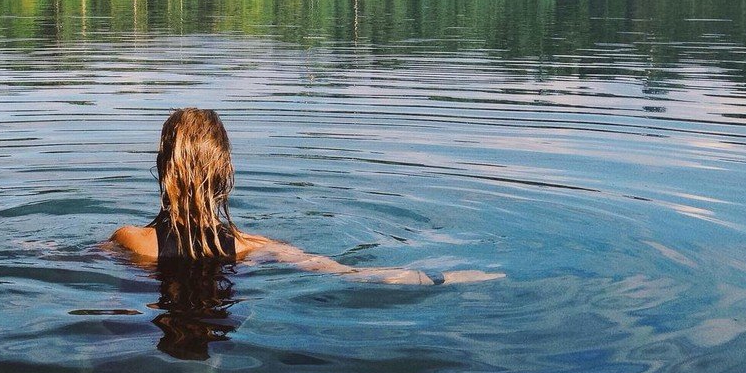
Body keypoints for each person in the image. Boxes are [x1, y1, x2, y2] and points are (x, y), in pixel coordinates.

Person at [110, 107, 503, 285]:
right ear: (223, 175)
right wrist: (440, 280)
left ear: (165, 169)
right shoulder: (251, 247)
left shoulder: (132, 242)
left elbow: (53, 254)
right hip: (225, 331)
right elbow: (353, 274)